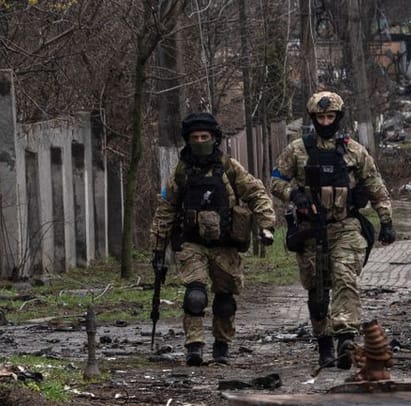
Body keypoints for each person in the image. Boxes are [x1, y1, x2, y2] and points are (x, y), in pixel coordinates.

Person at [269, 91, 398, 373]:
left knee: (345, 278)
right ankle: (324, 343)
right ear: (313, 118)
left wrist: (386, 220)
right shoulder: (297, 150)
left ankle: (346, 339)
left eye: (330, 117)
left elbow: (375, 185)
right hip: (310, 230)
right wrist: (294, 196)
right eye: (320, 117)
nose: (325, 122)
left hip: (346, 226)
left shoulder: (354, 151)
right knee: (317, 292)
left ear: (338, 118)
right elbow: (275, 180)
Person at [151, 111, 276, 366]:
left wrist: (267, 224)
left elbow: (256, 193)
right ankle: (194, 346)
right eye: (194, 137)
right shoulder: (181, 172)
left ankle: (222, 346)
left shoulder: (229, 168)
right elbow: (166, 208)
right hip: (192, 243)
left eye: (204, 136)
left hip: (225, 244)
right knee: (195, 295)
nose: (199, 141)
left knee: (225, 301)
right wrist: (158, 246)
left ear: (214, 138)